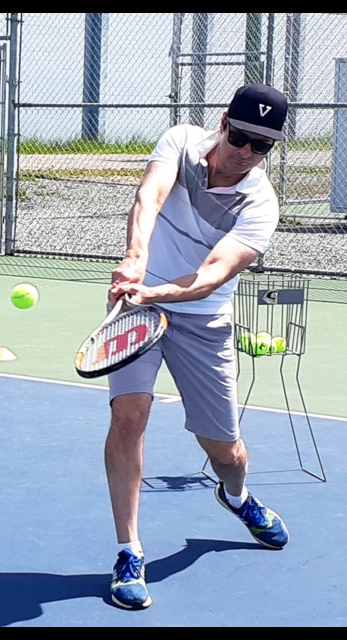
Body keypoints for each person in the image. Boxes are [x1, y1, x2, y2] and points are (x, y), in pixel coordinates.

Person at [104, 83, 291, 610]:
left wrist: (157, 289)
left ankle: (236, 496)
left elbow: (210, 277)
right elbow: (149, 196)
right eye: (242, 135)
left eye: (262, 145)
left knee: (225, 451)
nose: (247, 151)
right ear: (223, 121)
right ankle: (129, 551)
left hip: (202, 321)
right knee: (129, 416)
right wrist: (136, 261)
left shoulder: (259, 203)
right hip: (138, 309)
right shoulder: (180, 142)